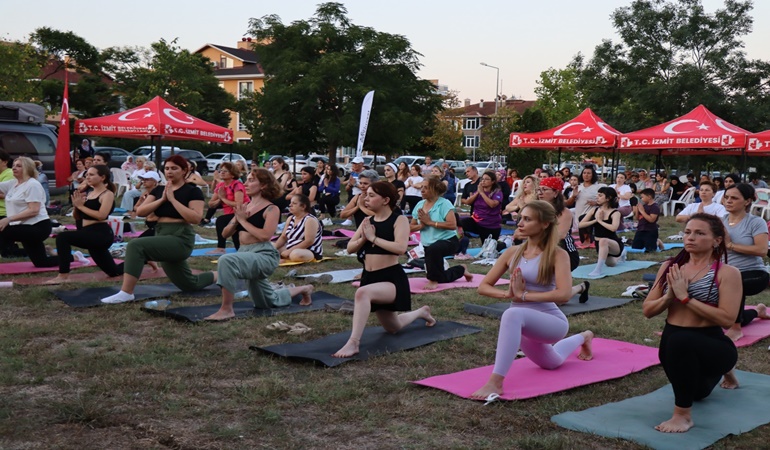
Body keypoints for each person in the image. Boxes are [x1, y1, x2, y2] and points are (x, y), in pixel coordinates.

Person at [470, 200, 594, 400]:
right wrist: (509, 295)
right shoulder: (512, 252)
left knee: (512, 313)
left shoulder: (558, 254)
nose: (520, 223)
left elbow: (563, 294)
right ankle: (584, 336)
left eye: (527, 219)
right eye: (520, 218)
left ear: (544, 224)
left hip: (551, 322)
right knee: (552, 363)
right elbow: (483, 287)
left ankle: (495, 382)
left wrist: (524, 296)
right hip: (523, 323)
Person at [642, 213, 742, 433]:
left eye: (699, 233)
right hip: (673, 338)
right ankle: (727, 374)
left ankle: (683, 416)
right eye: (687, 232)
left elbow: (727, 319)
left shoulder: (728, 273)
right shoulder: (670, 267)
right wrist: (669, 298)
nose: (691, 237)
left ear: (716, 240)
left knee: (682, 341)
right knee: (697, 393)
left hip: (712, 342)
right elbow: (648, 311)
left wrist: (686, 298)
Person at [332, 181, 436, 358]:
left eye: (372, 195)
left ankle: (353, 343)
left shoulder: (399, 219)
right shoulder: (367, 221)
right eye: (366, 195)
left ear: (386, 200)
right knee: (393, 327)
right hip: (369, 277)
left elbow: (400, 248)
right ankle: (422, 312)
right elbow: (350, 248)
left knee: (362, 293)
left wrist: (373, 238)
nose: (366, 198)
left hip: (391, 279)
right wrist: (364, 239)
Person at [100, 155, 216, 304]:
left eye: (174, 168)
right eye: (167, 168)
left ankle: (126, 292)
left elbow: (195, 218)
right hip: (162, 234)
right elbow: (141, 212)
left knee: (136, 245)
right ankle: (220, 274)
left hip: (181, 239)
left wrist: (173, 199)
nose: (169, 171)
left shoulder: (192, 191)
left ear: (184, 170)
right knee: (190, 284)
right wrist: (162, 199)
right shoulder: (159, 190)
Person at [205, 169, 314, 321]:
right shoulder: (245, 207)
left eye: (251, 180)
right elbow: (224, 234)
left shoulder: (271, 208)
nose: (246, 183)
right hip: (245, 253)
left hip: (264, 255)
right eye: (246, 180)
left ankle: (226, 309)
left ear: (263, 185)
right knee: (267, 302)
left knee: (226, 261)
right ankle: (304, 289)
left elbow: (265, 236)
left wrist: (242, 221)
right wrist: (237, 218)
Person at [42, 165, 125, 283]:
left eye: (91, 174)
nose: (87, 177)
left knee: (63, 238)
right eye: (87, 175)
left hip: (100, 234)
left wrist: (81, 206)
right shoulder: (90, 193)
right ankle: (142, 260)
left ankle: (63, 276)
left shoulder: (107, 194)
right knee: (113, 271)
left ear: (102, 177)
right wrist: (77, 206)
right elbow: (77, 217)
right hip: (88, 232)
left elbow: (102, 215)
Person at [721, 183, 770, 341]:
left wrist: (730, 245)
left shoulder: (756, 222)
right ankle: (757, 311)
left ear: (747, 201)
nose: (728, 201)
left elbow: (762, 250)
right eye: (726, 197)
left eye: (734, 198)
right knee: (725, 319)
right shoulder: (719, 222)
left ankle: (736, 328)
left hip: (754, 274)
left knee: (733, 282)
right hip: (725, 273)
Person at [410, 176, 474, 290]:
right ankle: (461, 269)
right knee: (441, 277)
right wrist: (422, 225)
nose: (422, 190)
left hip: (449, 241)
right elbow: (411, 227)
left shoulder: (444, 204)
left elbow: (452, 225)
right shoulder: (420, 205)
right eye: (422, 187)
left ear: (434, 190)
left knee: (434, 249)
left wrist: (430, 222)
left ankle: (432, 280)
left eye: (426, 188)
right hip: (428, 244)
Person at [537, 177, 590, 302]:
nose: (540, 192)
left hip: (565, 254)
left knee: (556, 300)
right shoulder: (536, 210)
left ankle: (581, 287)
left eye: (544, 189)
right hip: (542, 253)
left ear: (556, 193)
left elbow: (559, 235)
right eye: (538, 189)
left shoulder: (564, 213)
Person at [0, 157, 55, 266]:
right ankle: (74, 257)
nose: (14, 168)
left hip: (38, 227)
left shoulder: (32, 185)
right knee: (42, 263)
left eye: (19, 166)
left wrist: (8, 219)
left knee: (2, 233)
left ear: (27, 169)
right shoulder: (13, 183)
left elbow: (34, 210)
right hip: (23, 226)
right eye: (14, 165)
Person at [579, 186, 627, 277]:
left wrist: (600, 221)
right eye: (597, 195)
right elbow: (581, 224)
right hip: (599, 244)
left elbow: (613, 228)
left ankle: (598, 270)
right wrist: (596, 220)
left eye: (600, 195)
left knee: (603, 240)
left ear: (608, 198)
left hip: (613, 244)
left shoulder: (615, 212)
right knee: (611, 264)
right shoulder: (594, 210)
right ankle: (622, 254)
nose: (597, 197)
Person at [207, 162, 249, 255]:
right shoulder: (220, 186)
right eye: (221, 170)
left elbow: (238, 205)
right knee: (238, 245)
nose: (221, 172)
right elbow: (210, 204)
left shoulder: (237, 185)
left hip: (243, 213)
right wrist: (219, 200)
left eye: (225, 171)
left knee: (221, 220)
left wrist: (223, 198)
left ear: (232, 174)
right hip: (231, 214)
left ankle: (221, 248)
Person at [273, 194, 323, 263]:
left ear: (303, 206)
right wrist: (273, 248)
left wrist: (289, 251)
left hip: (308, 250)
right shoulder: (290, 218)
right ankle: (284, 256)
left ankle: (284, 259)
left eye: (294, 203)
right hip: (290, 247)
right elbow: (283, 237)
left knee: (295, 254)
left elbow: (309, 241)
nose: (290, 205)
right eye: (290, 203)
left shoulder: (310, 220)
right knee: (269, 246)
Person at [459, 170, 503, 244]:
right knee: (459, 223)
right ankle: (460, 246)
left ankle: (503, 245)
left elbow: (492, 204)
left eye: (486, 179)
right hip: (476, 221)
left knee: (489, 249)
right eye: (482, 179)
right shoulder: (479, 191)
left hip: (490, 224)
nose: (483, 181)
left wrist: (482, 193)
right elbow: (468, 202)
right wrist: (478, 192)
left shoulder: (497, 192)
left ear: (493, 182)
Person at [574, 165, 605, 245]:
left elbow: (607, 200)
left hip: (591, 213)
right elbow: (569, 202)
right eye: (584, 173)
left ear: (593, 175)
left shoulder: (598, 187)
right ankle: (587, 240)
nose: (586, 175)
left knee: (584, 221)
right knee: (582, 238)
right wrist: (574, 196)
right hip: (579, 212)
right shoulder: (578, 187)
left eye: (588, 173)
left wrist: (596, 203)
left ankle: (589, 239)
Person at [632, 188, 664, 253]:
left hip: (650, 230)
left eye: (642, 197)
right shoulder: (644, 206)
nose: (641, 199)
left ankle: (657, 241)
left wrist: (642, 211)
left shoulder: (655, 207)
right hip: (641, 229)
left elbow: (651, 220)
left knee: (650, 250)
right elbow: (637, 218)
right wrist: (637, 210)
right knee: (636, 248)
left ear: (649, 197)